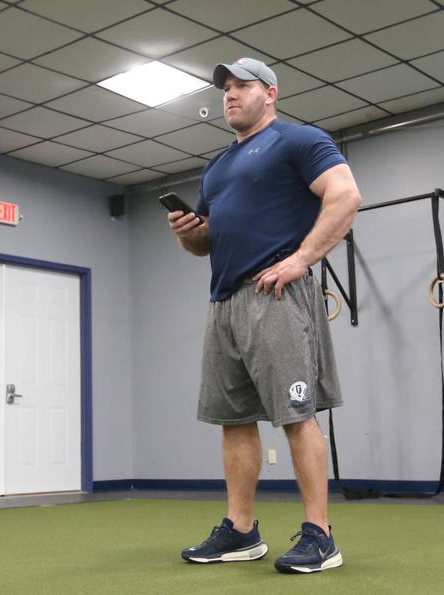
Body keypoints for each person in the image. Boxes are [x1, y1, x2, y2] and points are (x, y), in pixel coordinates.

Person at [168, 57, 361, 574]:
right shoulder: (216, 167)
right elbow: (206, 243)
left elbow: (345, 196)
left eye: (242, 86)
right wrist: (190, 233)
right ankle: (241, 530)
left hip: (275, 295)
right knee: (233, 422)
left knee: (296, 416)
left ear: (270, 93)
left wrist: (300, 259)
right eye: (225, 88)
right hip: (224, 301)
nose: (230, 94)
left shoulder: (299, 141)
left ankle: (321, 535)